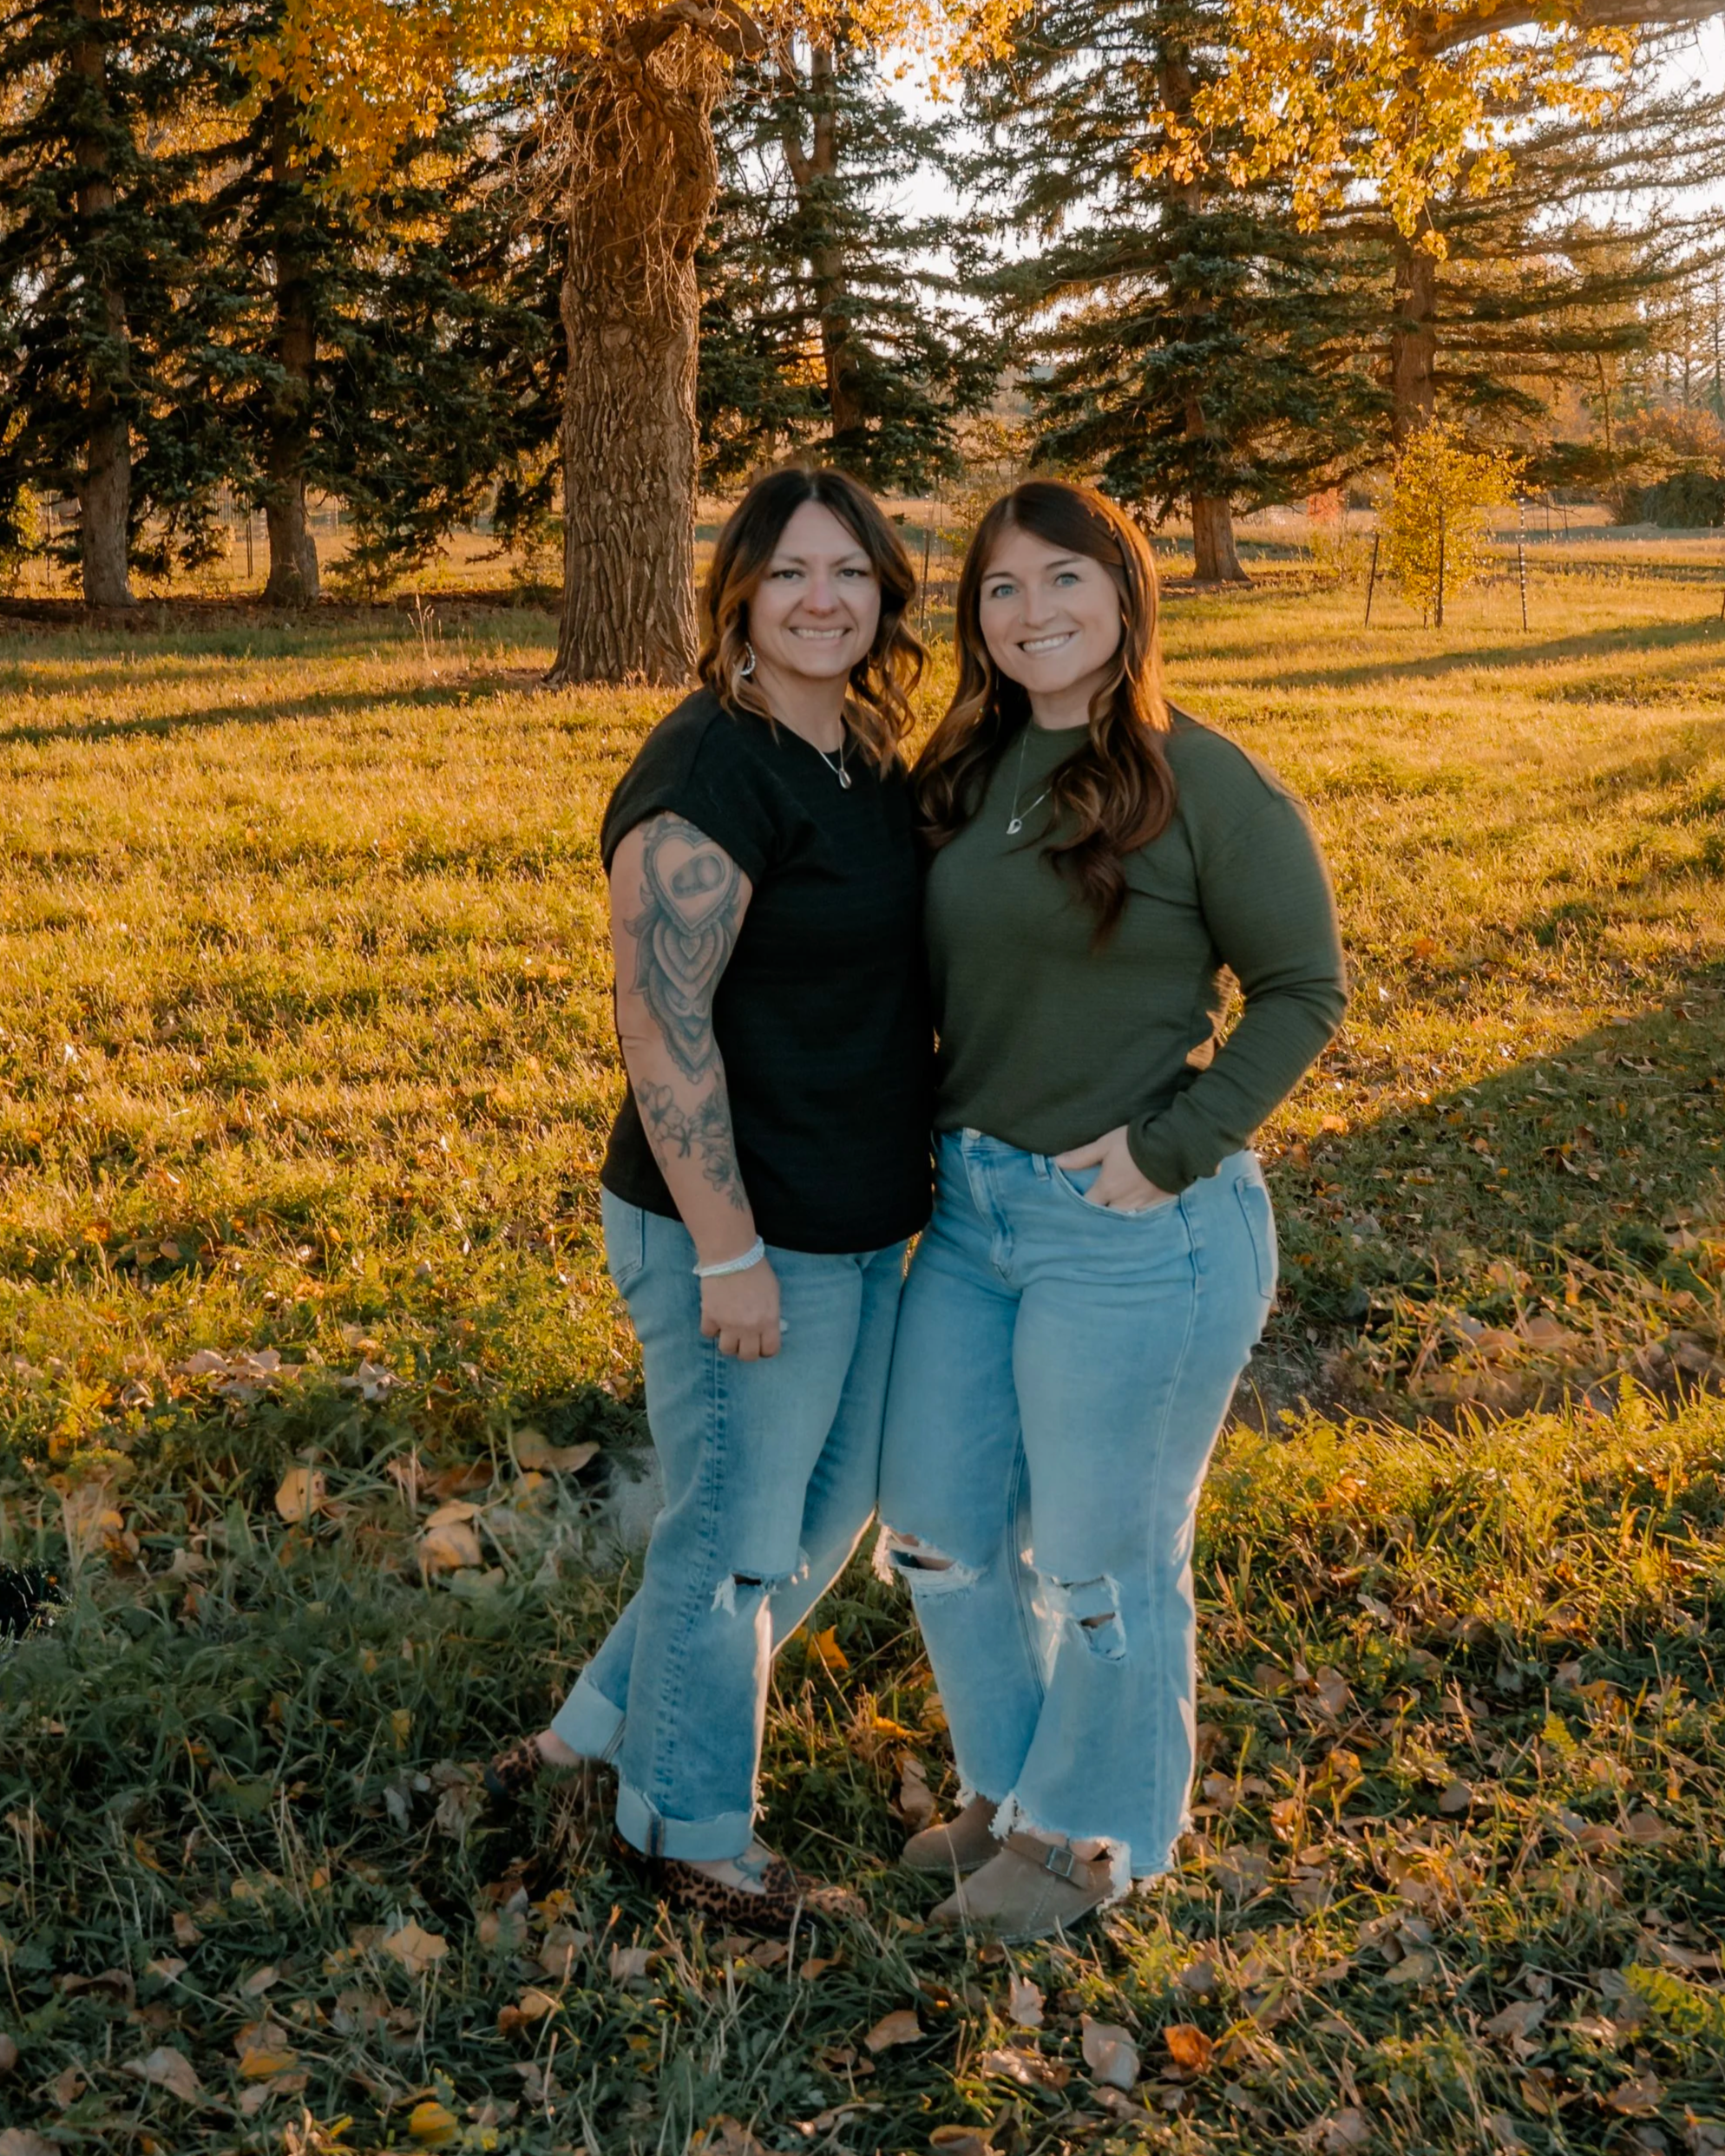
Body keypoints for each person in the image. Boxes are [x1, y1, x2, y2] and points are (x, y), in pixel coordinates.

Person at [876, 480, 1347, 1943]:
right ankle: (1012, 1795)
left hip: (1136, 1228)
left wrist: (1177, 1145)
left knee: (1102, 1556)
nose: (1034, 614)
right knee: (939, 1528)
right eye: (1002, 591)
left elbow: (1304, 992)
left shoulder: (1202, 779)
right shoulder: (967, 768)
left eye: (1065, 580)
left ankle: (1090, 1839)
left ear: (1127, 593)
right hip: (972, 1217)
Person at [487, 468, 932, 1929]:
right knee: (735, 1540)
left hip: (859, 1219)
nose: (824, 598)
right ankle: (689, 1837)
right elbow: (660, 1024)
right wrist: (729, 1254)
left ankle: (585, 1740)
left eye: (851, 572)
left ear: (884, 591)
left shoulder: (858, 748)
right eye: (792, 571)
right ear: (736, 591)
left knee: (807, 1527)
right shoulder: (707, 773)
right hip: (739, 1232)